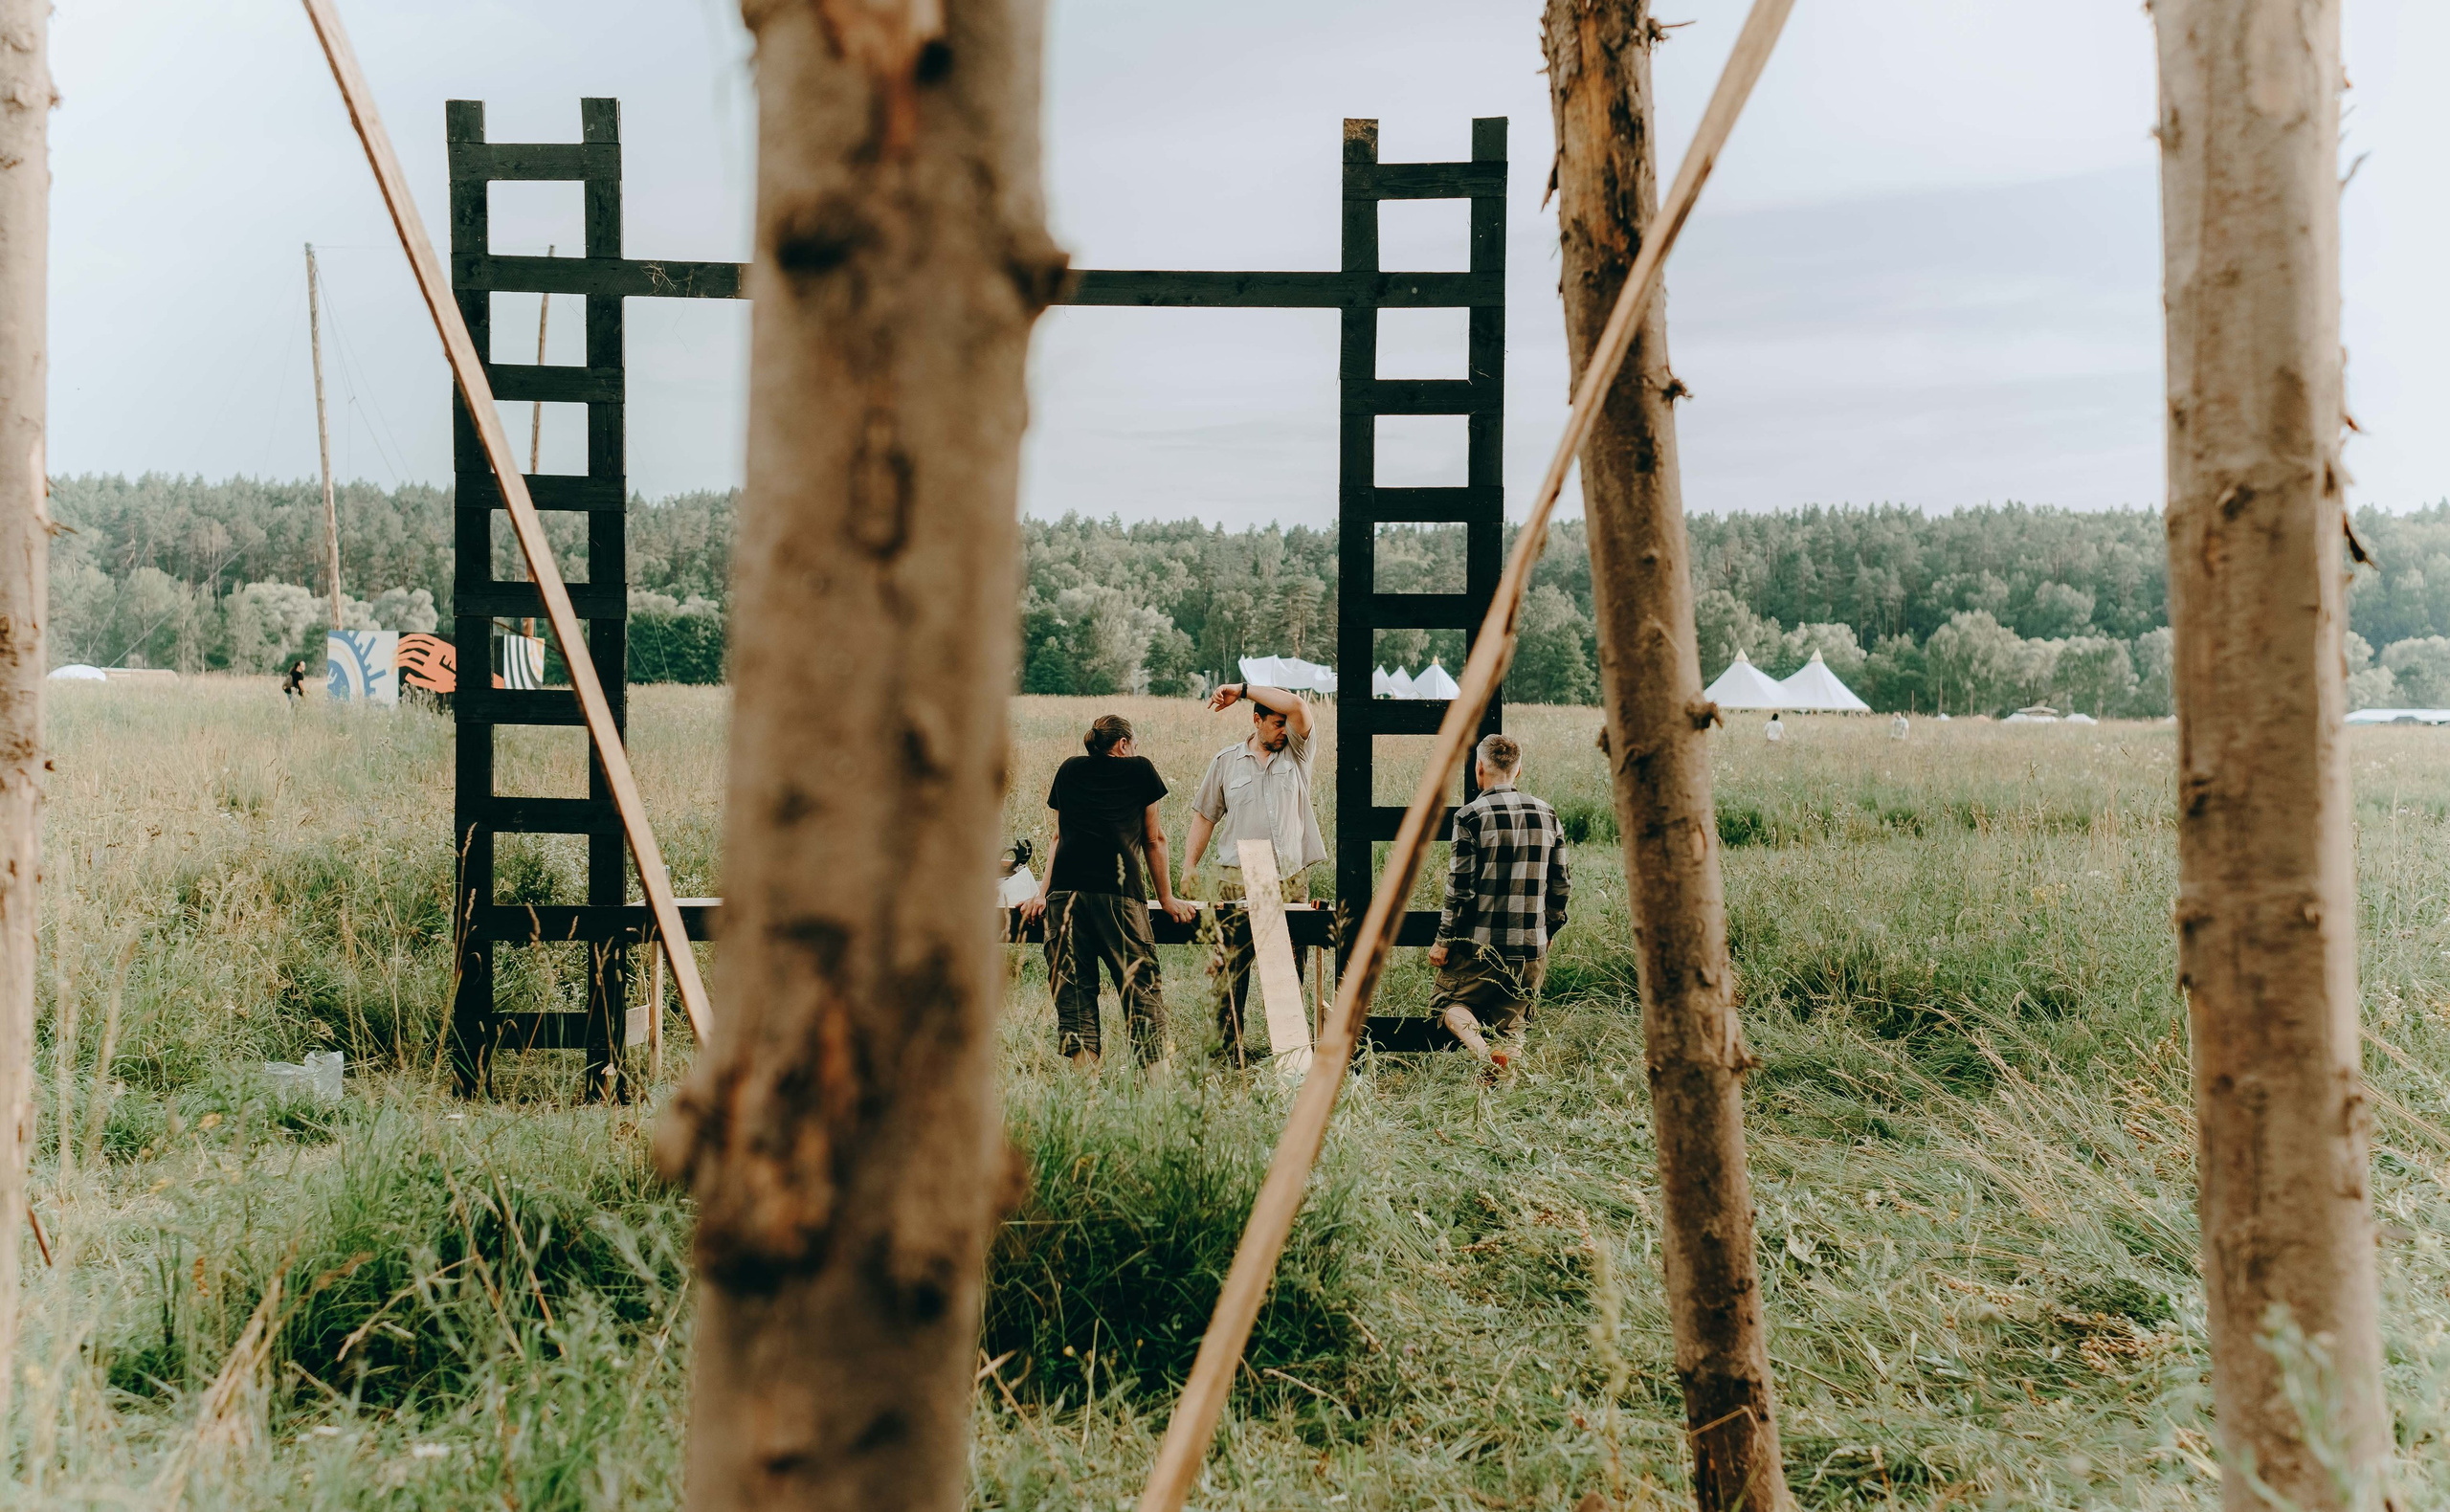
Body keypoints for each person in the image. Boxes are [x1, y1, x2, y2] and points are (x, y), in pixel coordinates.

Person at [1020, 715, 1196, 1072]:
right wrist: (1166, 899)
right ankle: (1156, 1093)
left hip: (1065, 898)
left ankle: (1086, 1094)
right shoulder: (1140, 769)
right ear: (1123, 744)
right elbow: (1153, 839)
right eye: (1135, 744)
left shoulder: (1068, 769)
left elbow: (1058, 837)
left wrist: (1042, 892)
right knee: (1140, 989)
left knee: (1074, 992)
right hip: (1119, 898)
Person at [1181, 679, 1326, 1066]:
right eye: (1277, 723)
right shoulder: (1226, 761)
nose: (1285, 729)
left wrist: (1241, 688)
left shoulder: (1297, 753)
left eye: (1286, 724)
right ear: (1257, 720)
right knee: (1229, 969)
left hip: (1287, 878)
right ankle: (1226, 1055)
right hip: (1234, 878)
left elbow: (1297, 703)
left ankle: (1292, 1057)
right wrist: (1189, 866)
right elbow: (1205, 816)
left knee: (1288, 971)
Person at [1428, 733, 1570, 1077]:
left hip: (1480, 947)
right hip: (1529, 949)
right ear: (1517, 771)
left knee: (1446, 1005)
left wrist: (1443, 940)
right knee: (1513, 1024)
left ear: (1479, 768)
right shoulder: (1547, 814)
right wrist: (1548, 928)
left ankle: (1481, 1051)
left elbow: (1459, 888)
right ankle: (1501, 1092)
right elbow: (1561, 884)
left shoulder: (1470, 816)